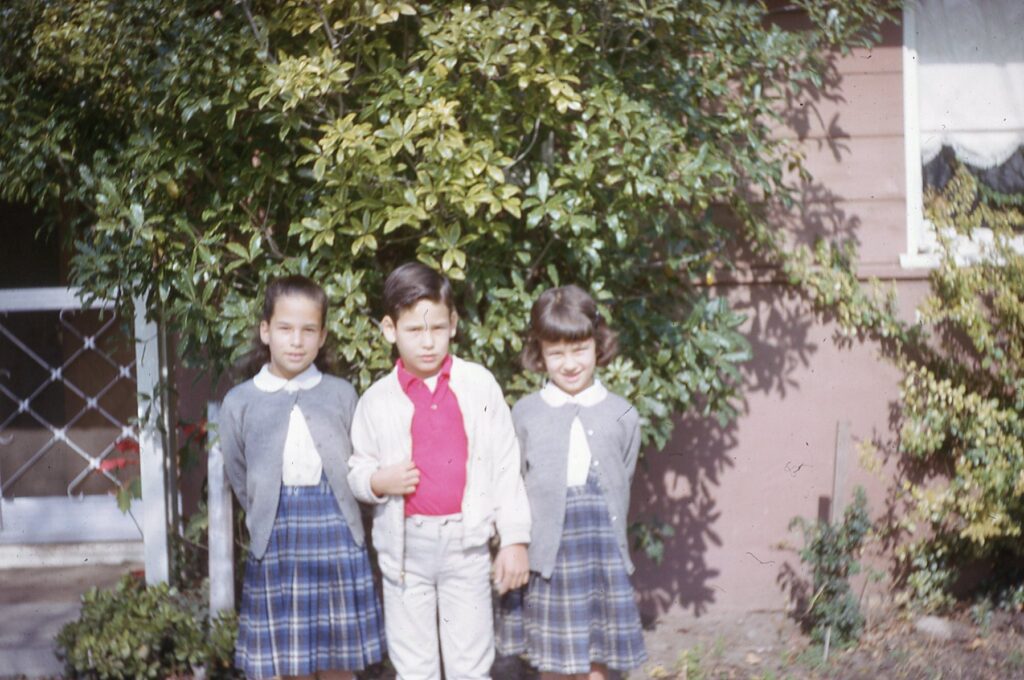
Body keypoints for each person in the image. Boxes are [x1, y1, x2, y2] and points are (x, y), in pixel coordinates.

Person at [347, 261, 531, 680]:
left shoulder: (478, 384)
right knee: (414, 668)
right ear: (390, 330)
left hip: (466, 543)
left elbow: (506, 465)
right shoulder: (377, 400)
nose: (427, 342)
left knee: (471, 664)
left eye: (437, 329)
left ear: (453, 323)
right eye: (414, 330)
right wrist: (378, 481)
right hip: (405, 550)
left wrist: (514, 539)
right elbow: (358, 468)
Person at [218, 275, 385, 680]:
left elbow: (358, 458)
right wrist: (266, 512)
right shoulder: (241, 401)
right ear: (265, 331)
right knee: (289, 661)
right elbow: (240, 475)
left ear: (323, 335)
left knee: (337, 660)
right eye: (285, 329)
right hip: (277, 535)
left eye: (308, 330)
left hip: (336, 532)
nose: (297, 341)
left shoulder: (341, 394)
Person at [498, 284, 647, 680]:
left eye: (579, 350)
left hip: (600, 548)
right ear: (539, 353)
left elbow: (624, 474)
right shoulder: (526, 413)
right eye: (556, 352)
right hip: (550, 551)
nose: (569, 363)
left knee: (597, 655)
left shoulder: (622, 414)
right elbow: (515, 480)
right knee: (555, 658)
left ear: (598, 346)